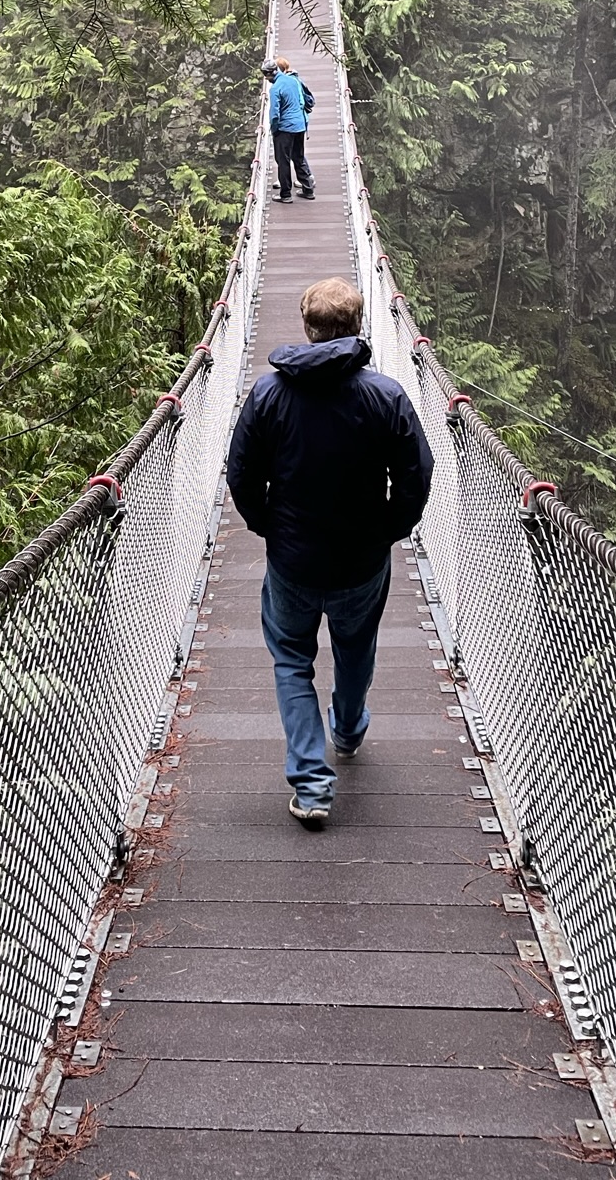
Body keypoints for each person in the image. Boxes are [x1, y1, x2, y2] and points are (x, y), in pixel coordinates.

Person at [225, 276, 434, 827]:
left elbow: (241, 472)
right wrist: (392, 528)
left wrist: (265, 524)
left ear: (306, 327)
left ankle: (313, 787)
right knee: (355, 646)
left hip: (292, 559)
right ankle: (347, 731)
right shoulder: (386, 395)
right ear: (358, 326)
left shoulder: (268, 394)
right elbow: (417, 473)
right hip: (362, 561)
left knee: (292, 661)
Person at [263, 56, 315, 201]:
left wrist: (274, 130)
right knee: (298, 157)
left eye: (266, 76)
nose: (266, 79)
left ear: (270, 74)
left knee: (283, 161)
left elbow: (274, 114)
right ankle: (308, 190)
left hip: (285, 129)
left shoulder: (275, 89)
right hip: (300, 126)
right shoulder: (293, 80)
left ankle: (285, 195)